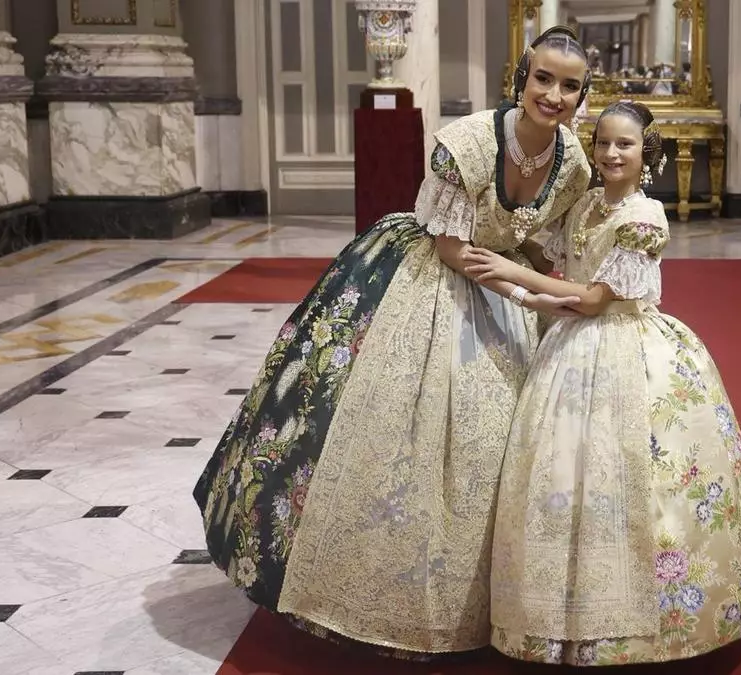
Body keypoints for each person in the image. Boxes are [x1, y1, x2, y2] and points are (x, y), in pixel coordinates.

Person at [192, 25, 593, 660]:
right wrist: (531, 295)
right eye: (543, 78)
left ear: (582, 96)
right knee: (405, 421)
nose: (554, 95)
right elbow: (454, 249)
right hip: (430, 276)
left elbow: (541, 242)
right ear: (522, 78)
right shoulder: (466, 144)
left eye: (570, 86)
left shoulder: (573, 162)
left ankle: (501, 600)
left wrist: (563, 291)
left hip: (507, 279)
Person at [463, 101, 741, 666]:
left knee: (635, 472)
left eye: (625, 144)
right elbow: (553, 256)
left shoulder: (645, 218)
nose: (612, 154)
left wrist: (514, 277)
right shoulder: (586, 203)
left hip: (628, 346)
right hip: (568, 348)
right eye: (603, 143)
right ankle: (558, 615)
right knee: (561, 473)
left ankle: (647, 621)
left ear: (648, 153)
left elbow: (597, 299)